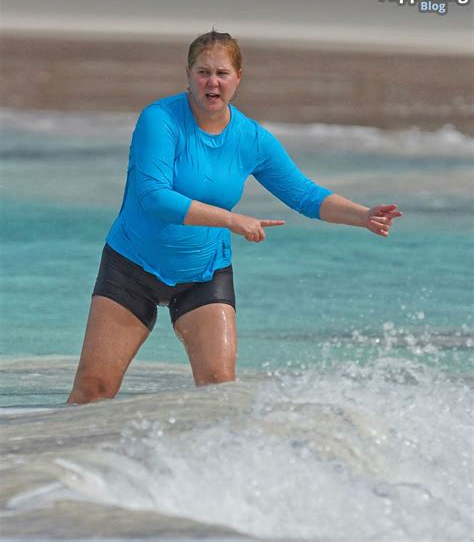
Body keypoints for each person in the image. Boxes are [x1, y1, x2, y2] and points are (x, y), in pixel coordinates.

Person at [67, 30, 402, 404]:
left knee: (219, 392)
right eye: (203, 72)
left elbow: (304, 194)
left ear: (238, 78)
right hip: (131, 267)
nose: (213, 82)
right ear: (189, 75)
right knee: (93, 390)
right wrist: (231, 221)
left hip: (204, 274)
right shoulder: (160, 120)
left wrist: (364, 215)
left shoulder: (251, 138)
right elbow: (154, 199)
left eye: (222, 73)